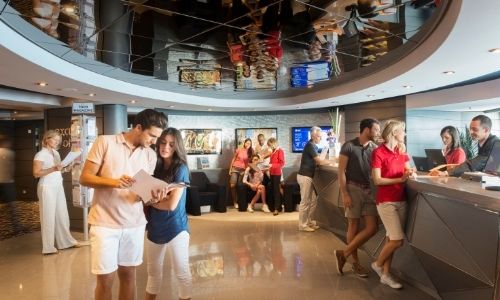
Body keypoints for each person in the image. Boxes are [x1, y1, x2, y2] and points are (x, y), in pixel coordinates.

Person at [79, 109, 167, 300]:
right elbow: (85, 178)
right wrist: (114, 182)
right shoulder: (105, 142)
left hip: (134, 224)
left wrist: (153, 196)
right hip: (104, 223)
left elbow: (142, 195)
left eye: (157, 137)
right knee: (106, 279)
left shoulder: (150, 156)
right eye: (151, 135)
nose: (154, 141)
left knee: (129, 275)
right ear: (138, 127)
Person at [144, 128, 192, 300]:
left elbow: (171, 205)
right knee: (153, 274)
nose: (166, 147)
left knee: (182, 273)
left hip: (176, 227)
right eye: (163, 143)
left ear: (177, 146)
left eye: (171, 145)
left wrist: (150, 201)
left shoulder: (181, 168)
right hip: (155, 227)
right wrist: (152, 200)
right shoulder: (153, 165)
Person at [370, 120, 414, 289]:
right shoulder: (378, 152)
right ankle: (377, 265)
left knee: (391, 239)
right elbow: (377, 180)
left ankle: (386, 275)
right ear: (394, 133)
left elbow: (407, 170)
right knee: (397, 240)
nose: (404, 134)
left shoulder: (401, 151)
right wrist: (399, 179)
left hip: (401, 200)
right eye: (402, 131)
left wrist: (410, 172)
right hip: (386, 202)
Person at [334, 118, 381, 278]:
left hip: (369, 191)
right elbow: (341, 172)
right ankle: (355, 263)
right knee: (353, 225)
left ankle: (343, 253)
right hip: (352, 189)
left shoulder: (375, 148)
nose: (378, 133)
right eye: (376, 129)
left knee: (372, 227)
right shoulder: (349, 145)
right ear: (367, 130)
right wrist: (345, 194)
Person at [33, 130, 78, 254]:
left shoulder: (56, 153)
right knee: (48, 216)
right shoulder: (40, 155)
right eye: (54, 139)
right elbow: (36, 173)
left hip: (58, 186)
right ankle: (48, 248)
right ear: (47, 139)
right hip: (46, 187)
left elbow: (57, 171)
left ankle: (66, 242)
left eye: (58, 140)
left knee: (62, 215)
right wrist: (53, 168)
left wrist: (67, 167)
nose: (57, 142)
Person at [432, 115, 499, 177]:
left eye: (475, 129)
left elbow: (475, 164)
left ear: (486, 130)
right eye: (470, 129)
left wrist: (446, 173)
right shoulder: (483, 142)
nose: (471, 132)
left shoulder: (494, 144)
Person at [297, 126, 330, 231]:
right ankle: (302, 225)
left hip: (308, 176)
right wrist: (335, 159)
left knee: (313, 201)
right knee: (305, 201)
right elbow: (319, 161)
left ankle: (308, 221)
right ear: (313, 135)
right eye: (319, 136)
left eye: (321, 136)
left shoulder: (314, 146)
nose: (320, 138)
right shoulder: (310, 145)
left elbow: (318, 160)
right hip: (305, 176)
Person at [228, 138, 254, 209]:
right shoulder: (239, 149)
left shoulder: (251, 151)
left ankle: (240, 202)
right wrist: (230, 169)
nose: (248, 144)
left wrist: (250, 153)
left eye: (249, 143)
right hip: (235, 168)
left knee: (240, 187)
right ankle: (234, 202)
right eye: (247, 143)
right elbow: (233, 159)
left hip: (243, 170)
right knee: (232, 185)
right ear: (244, 143)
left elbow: (251, 161)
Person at [267, 137, 285, 216]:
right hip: (272, 172)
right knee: (272, 190)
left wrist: (272, 165)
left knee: (276, 191)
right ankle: (274, 207)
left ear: (273, 144)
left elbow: (282, 163)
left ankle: (277, 208)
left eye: (269, 145)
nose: (269, 147)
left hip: (277, 173)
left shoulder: (280, 151)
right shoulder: (273, 151)